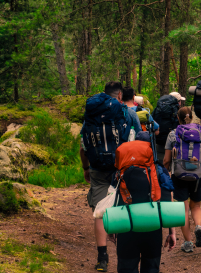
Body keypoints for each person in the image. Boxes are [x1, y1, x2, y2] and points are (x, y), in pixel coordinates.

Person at [80, 81, 140, 272]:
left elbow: (84, 145)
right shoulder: (128, 112)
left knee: (99, 210)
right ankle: (123, 251)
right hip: (121, 166)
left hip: (97, 167)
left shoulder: (92, 114)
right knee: (123, 205)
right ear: (120, 95)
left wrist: (86, 168)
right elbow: (137, 139)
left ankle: (102, 257)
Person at [114, 131, 177, 273]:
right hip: (152, 227)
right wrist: (171, 232)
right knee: (151, 268)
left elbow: (114, 198)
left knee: (126, 268)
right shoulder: (159, 171)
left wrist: (113, 228)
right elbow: (167, 201)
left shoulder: (120, 171)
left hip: (126, 227)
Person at [163, 107, 201, 253]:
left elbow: (167, 160)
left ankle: (188, 243)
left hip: (179, 174)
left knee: (183, 209)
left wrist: (166, 174)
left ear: (177, 118)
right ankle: (198, 226)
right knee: (196, 206)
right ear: (192, 117)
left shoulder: (173, 134)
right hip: (199, 173)